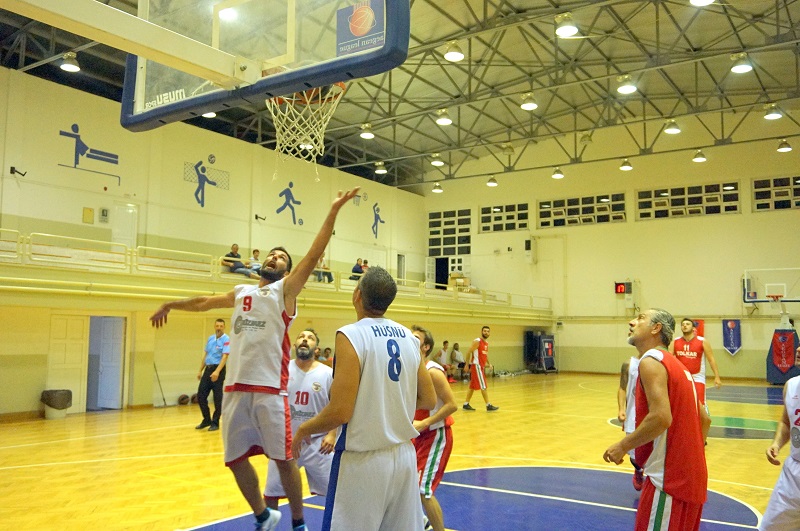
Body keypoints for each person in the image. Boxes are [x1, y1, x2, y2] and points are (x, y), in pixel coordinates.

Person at [150, 187, 359, 531]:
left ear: (287, 271)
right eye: (272, 255)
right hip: (234, 389)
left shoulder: (285, 291)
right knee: (234, 460)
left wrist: (333, 211)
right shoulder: (241, 291)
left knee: (284, 458)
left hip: (269, 390)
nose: (274, 258)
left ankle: (297, 522)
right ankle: (264, 515)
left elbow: (313, 254)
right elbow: (204, 302)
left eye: (281, 258)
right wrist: (171, 304)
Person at [292, 266, 436, 531]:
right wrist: (388, 403)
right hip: (404, 457)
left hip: (362, 462)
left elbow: (340, 412)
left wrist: (303, 429)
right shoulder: (409, 337)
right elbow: (428, 399)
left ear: (357, 295)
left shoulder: (351, 335)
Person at [603, 309, 710, 531]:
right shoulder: (679, 367)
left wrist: (623, 446)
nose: (632, 322)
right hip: (692, 478)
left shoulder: (651, 361)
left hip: (667, 481)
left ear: (656, 328)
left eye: (640, 318)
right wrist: (688, 456)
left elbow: (661, 417)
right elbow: (705, 419)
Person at [264, 329, 335, 513]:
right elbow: (269, 403)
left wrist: (332, 434)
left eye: (310, 338)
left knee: (335, 493)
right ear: (295, 345)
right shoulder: (282, 370)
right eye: (301, 337)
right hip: (285, 442)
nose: (305, 340)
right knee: (271, 493)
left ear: (317, 349)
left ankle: (335, 525)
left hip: (318, 443)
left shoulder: (328, 374)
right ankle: (268, 525)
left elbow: (336, 406)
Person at [411, 325, 457, 531]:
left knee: (423, 490)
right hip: (416, 435)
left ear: (426, 347)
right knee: (405, 485)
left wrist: (425, 423)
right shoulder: (408, 369)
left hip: (435, 435)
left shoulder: (433, 372)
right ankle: (422, 523)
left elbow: (452, 405)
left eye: (415, 338)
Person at [760, 345, 800, 530]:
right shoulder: (791, 385)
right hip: (793, 471)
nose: (798, 349)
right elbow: (786, 421)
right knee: (770, 527)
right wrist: (776, 444)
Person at [670, 317, 722, 407]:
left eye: (687, 324)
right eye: (683, 325)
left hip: (697, 377)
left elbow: (711, 359)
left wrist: (717, 377)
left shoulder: (702, 341)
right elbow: (669, 359)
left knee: (699, 404)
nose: (685, 326)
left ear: (693, 328)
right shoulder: (675, 342)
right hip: (681, 377)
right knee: (681, 404)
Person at [195, 318, 230, 432]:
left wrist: (217, 372)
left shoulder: (226, 339)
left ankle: (215, 422)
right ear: (215, 327)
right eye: (217, 326)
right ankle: (206, 420)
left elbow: (225, 357)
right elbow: (206, 355)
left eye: (221, 326)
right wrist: (200, 370)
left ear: (224, 327)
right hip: (208, 369)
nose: (219, 328)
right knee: (201, 396)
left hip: (218, 370)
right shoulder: (210, 338)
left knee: (217, 398)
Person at [617, 356, 644, 490]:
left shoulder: (660, 363)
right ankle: (638, 470)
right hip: (633, 416)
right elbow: (622, 388)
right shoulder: (629, 364)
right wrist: (621, 409)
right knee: (635, 457)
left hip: (653, 414)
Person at [463, 326, 499, 411]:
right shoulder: (477, 341)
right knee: (483, 386)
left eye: (488, 331)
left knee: (472, 386)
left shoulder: (486, 343)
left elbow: (485, 355)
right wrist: (467, 364)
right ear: (482, 332)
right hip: (477, 366)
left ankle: (466, 404)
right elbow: (468, 352)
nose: (486, 332)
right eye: (484, 331)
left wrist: (489, 364)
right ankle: (488, 405)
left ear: (489, 333)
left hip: (481, 367)